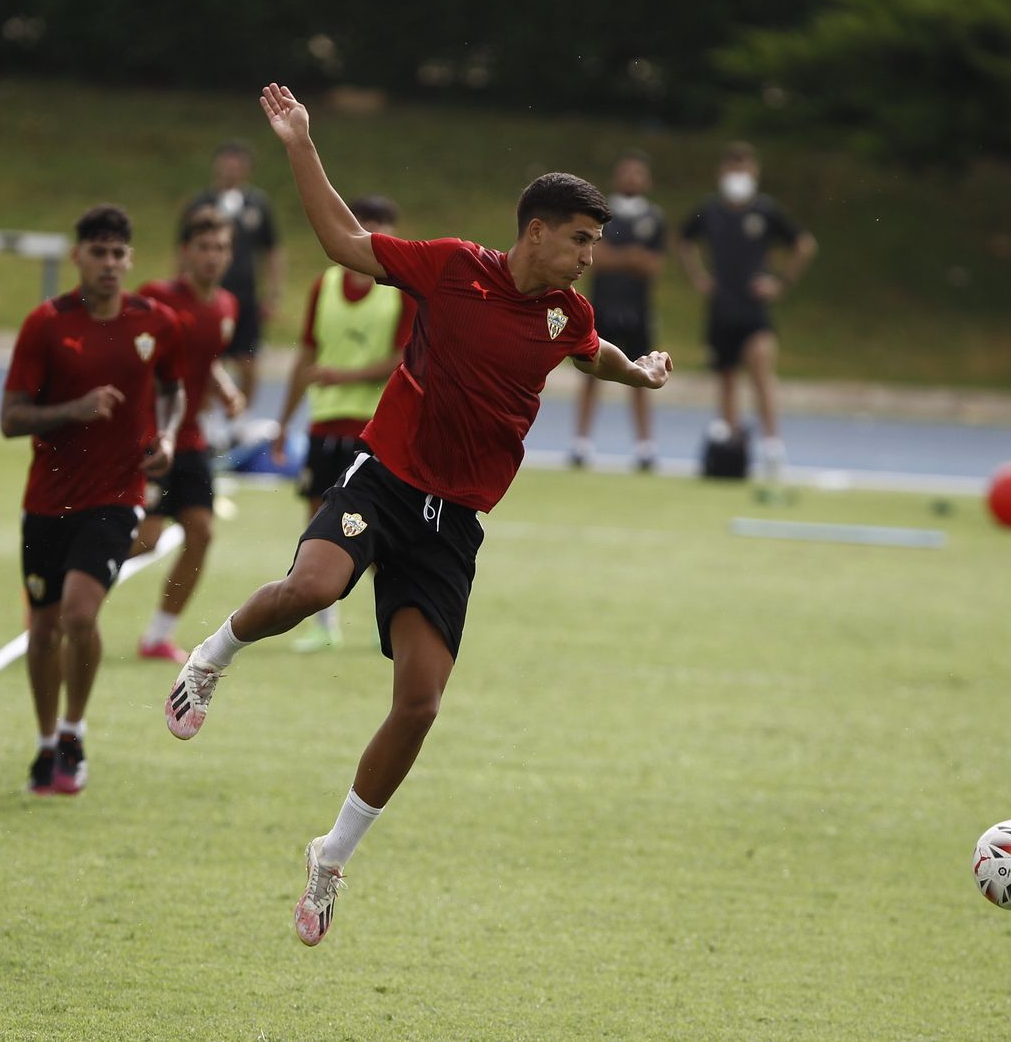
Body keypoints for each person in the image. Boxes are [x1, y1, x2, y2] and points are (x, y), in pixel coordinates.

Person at [163, 84, 673, 947]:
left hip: (453, 523)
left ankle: (329, 858)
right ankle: (212, 656)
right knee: (310, 589)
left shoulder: (567, 313)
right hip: (388, 479)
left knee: (422, 701)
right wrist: (299, 144)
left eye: (597, 243)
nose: (592, 256)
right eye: (582, 239)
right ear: (537, 231)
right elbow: (341, 241)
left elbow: (594, 357)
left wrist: (642, 374)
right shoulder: (451, 267)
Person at [0, 204, 185, 796]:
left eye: (118, 253)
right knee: (43, 629)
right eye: (97, 251)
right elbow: (10, 418)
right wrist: (71, 411)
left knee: (80, 615)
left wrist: (171, 437)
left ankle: (75, 732)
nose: (109, 263)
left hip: (117, 494)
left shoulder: (156, 323)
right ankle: (45, 741)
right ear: (77, 256)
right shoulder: (45, 325)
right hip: (47, 500)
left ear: (130, 260)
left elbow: (174, 391)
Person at [270, 194, 416, 653]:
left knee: (375, 528)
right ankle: (323, 624)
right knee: (318, 523)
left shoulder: (402, 292)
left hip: (374, 428)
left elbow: (404, 360)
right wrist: (282, 421)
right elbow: (308, 354)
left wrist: (342, 375)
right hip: (322, 425)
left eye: (383, 228)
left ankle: (388, 618)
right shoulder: (326, 286)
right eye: (367, 225)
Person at [130, 207, 247, 663]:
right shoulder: (156, 298)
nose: (212, 257)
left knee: (201, 531)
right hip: (150, 434)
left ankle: (158, 635)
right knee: (147, 538)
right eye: (204, 247)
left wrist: (223, 387)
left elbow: (204, 355)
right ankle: (73, 579)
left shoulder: (226, 307)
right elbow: (131, 357)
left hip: (191, 437)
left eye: (220, 248)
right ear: (185, 252)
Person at [676, 141, 817, 479]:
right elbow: (683, 239)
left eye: (744, 169)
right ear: (722, 172)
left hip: (754, 309)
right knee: (725, 377)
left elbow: (804, 244)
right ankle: (731, 448)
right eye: (732, 168)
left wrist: (780, 282)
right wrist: (699, 276)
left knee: (761, 374)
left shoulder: (765, 211)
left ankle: (772, 447)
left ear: (753, 173)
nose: (738, 175)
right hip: (721, 306)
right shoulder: (710, 210)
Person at [571, 149, 667, 472]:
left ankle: (644, 446)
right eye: (626, 172)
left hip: (638, 309)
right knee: (591, 372)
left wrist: (621, 257)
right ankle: (581, 443)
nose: (631, 178)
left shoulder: (654, 218)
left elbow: (653, 265)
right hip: (602, 307)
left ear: (647, 179)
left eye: (637, 173)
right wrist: (631, 258)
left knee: (641, 373)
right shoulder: (600, 214)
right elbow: (600, 260)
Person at [186, 140, 285, 415]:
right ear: (217, 167)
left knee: (249, 359)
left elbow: (273, 250)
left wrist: (273, 294)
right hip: (208, 297)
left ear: (246, 170)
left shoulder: (258, 204)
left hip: (245, 296)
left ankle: (242, 419)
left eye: (237, 166)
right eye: (226, 165)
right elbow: (181, 249)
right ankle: (202, 418)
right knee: (204, 358)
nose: (231, 171)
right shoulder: (200, 204)